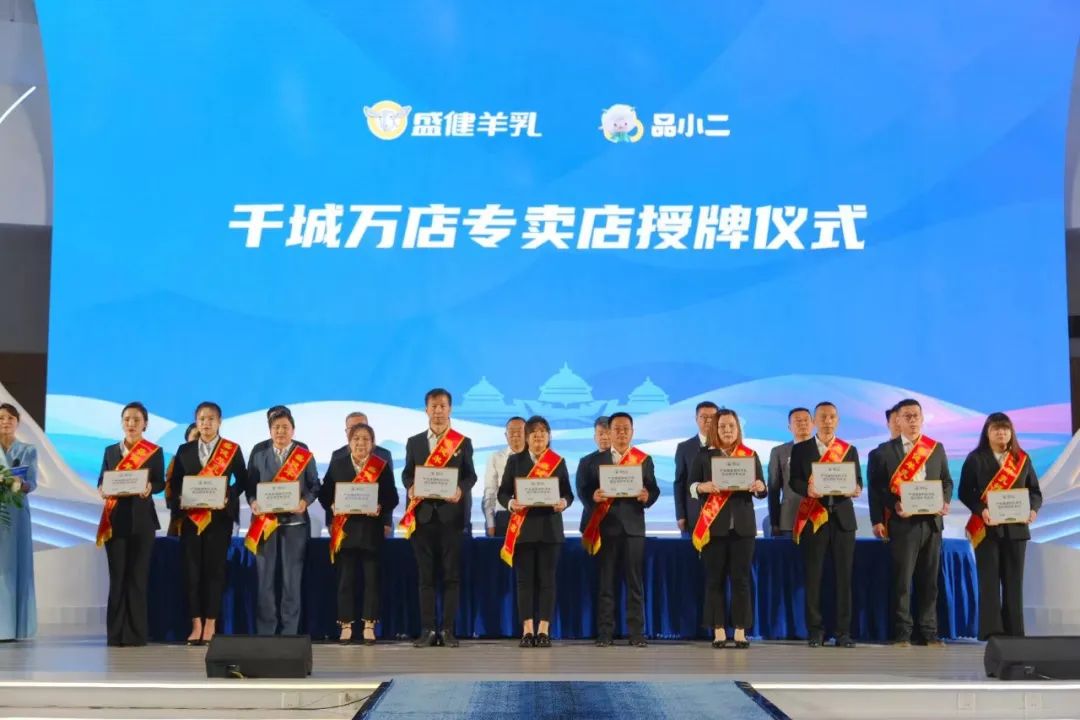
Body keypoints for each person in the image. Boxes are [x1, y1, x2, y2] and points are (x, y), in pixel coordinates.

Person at [400, 388, 477, 648]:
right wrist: (410, 486)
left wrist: (460, 490)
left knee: (451, 576)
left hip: (451, 518)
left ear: (450, 409)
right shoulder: (414, 442)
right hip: (422, 517)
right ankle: (428, 630)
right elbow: (407, 474)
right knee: (426, 577)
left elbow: (470, 475)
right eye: (433, 406)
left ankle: (448, 630)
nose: (438, 411)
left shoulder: (462, 442)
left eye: (443, 406)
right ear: (426, 410)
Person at [873, 398, 953, 647]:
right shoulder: (883, 452)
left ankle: (928, 632)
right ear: (897, 420)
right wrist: (892, 506)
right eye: (906, 416)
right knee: (902, 581)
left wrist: (944, 500)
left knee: (929, 581)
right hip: (903, 524)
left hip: (931, 523)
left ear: (922, 418)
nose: (912, 420)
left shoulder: (935, 448)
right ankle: (903, 633)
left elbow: (947, 481)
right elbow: (877, 489)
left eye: (916, 415)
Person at [167, 402, 248, 645]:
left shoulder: (231, 449)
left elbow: (243, 480)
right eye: (202, 418)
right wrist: (181, 498)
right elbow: (176, 483)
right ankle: (196, 623)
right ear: (196, 421)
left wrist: (228, 495)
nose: (206, 423)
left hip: (219, 519)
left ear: (219, 422)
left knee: (215, 571)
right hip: (192, 519)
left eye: (211, 418)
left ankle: (211, 622)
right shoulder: (185, 450)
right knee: (192, 571)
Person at [579, 412, 660, 647]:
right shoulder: (592, 461)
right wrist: (593, 497)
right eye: (617, 429)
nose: (622, 433)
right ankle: (605, 633)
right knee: (606, 583)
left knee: (635, 583)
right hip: (605, 527)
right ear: (609, 432)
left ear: (632, 432)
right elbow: (583, 491)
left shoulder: (643, 460)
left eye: (626, 429)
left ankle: (637, 634)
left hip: (633, 528)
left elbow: (653, 489)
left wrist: (647, 496)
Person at [687, 408, 766, 649]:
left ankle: (741, 630)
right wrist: (702, 487)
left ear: (738, 428)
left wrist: (760, 487)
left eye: (731, 426)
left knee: (741, 580)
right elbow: (690, 486)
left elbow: (762, 490)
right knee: (715, 580)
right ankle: (718, 629)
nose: (727, 430)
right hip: (714, 528)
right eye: (722, 426)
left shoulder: (750, 455)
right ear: (715, 429)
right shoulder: (704, 455)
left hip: (743, 528)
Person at [959, 412, 1042, 639]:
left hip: (1016, 529)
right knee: (989, 581)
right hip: (986, 528)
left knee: (1014, 582)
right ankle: (991, 630)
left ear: (1011, 432)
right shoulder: (975, 458)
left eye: (1005, 429)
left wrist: (1033, 509)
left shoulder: (1022, 458)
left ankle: (1015, 630)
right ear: (987, 433)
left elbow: (1034, 491)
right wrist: (981, 510)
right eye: (996, 429)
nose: (1001, 433)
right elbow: (965, 492)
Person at [788, 402, 862, 648]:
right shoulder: (801, 449)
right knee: (814, 577)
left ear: (837, 421)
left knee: (844, 578)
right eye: (822, 417)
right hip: (814, 519)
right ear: (814, 421)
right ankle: (816, 631)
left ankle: (843, 632)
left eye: (832, 417)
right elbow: (794, 481)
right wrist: (807, 489)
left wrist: (856, 488)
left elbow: (858, 480)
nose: (827, 421)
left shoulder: (849, 450)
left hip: (843, 521)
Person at [498, 416, 573, 648]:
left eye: (543, 432)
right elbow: (503, 493)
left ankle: (543, 630)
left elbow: (568, 493)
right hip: (524, 530)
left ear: (549, 436)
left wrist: (563, 503)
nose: (539, 436)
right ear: (527, 437)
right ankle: (528, 630)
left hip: (550, 530)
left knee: (547, 581)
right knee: (525, 582)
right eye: (534, 432)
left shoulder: (557, 462)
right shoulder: (515, 461)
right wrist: (511, 504)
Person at [319, 423, 398, 644]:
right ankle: (345, 624)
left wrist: (380, 507)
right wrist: (332, 506)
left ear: (372, 443)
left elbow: (392, 497)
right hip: (345, 532)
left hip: (371, 532)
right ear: (349, 442)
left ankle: (369, 625)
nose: (361, 443)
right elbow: (325, 494)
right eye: (356, 439)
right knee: (345, 580)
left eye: (365, 439)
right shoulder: (338, 465)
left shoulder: (380, 466)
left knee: (372, 580)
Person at [95, 401, 165, 647]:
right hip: (115, 522)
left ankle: (135, 634)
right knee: (117, 578)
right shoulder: (110, 451)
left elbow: (160, 482)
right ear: (122, 423)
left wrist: (150, 487)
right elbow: (102, 479)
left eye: (136, 419)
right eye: (127, 419)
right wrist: (102, 488)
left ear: (145, 423)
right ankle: (115, 634)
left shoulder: (154, 451)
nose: (131, 424)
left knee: (137, 578)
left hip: (142, 522)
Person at [246, 407, 320, 636]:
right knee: (265, 581)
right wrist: (253, 502)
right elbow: (250, 485)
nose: (280, 431)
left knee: (292, 581)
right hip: (265, 524)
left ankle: (289, 632)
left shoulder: (302, 452)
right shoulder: (259, 451)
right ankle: (266, 632)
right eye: (276, 427)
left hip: (294, 524)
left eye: (285, 427)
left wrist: (305, 502)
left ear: (293, 430)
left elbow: (314, 485)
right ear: (270, 430)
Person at [0, 403, 38, 641]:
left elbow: (31, 483)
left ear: (18, 422)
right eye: (1, 418)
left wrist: (19, 483)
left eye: (10, 418)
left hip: (16, 512)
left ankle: (17, 627)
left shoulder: (28, 450)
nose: (5, 422)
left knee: (17, 566)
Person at [327, 411, 394, 537]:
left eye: (362, 426)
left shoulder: (383, 455)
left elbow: (389, 490)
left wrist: (387, 521)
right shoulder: (337, 455)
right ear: (346, 432)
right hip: (346, 522)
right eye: (352, 428)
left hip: (376, 521)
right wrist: (330, 521)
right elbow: (330, 491)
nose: (358, 431)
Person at [673, 402, 719, 537]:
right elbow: (679, 483)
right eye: (703, 417)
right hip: (694, 514)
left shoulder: (726, 446)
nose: (708, 420)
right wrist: (680, 515)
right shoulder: (684, 448)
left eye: (712, 417)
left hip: (721, 512)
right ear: (696, 419)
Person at [767, 407, 813, 537]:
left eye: (806, 420)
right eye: (798, 421)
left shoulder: (825, 450)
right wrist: (774, 523)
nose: (803, 423)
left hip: (819, 518)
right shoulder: (779, 452)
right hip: (790, 519)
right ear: (789, 427)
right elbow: (773, 490)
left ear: (813, 423)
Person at [483, 417, 526, 537]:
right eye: (511, 431)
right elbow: (490, 492)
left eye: (519, 430)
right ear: (506, 435)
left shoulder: (536, 457)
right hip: (504, 516)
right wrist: (490, 523)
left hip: (531, 516)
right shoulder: (495, 457)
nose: (515, 434)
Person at [868, 405, 901, 539]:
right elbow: (874, 489)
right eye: (895, 420)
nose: (900, 423)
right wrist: (876, 520)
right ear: (888, 424)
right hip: (893, 516)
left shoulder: (924, 452)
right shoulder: (878, 453)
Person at [575, 416, 610, 534]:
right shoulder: (585, 462)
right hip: (593, 522)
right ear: (595, 437)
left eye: (608, 433)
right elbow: (581, 491)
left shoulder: (625, 460)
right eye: (601, 434)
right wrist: (593, 497)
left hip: (621, 525)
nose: (604, 437)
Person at [164, 423, 198, 537]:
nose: (199, 439)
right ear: (187, 439)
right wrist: (177, 501)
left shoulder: (214, 460)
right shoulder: (178, 458)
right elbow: (170, 483)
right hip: (183, 514)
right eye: (195, 436)